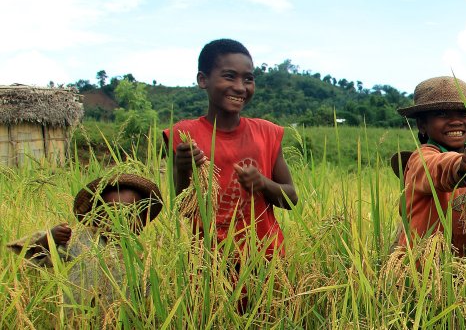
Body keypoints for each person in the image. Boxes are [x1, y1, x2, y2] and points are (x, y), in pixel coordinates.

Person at [166, 38, 299, 259]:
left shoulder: (267, 133)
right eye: (229, 76)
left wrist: (263, 183)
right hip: (208, 264)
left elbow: (291, 199)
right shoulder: (184, 136)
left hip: (265, 261)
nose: (240, 87)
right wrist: (182, 168)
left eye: (248, 79)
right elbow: (182, 207)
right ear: (203, 80)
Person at [6, 173, 163, 309]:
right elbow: (33, 255)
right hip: (79, 317)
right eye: (111, 213)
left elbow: (148, 293)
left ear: (142, 220)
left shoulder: (141, 253)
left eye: (130, 214)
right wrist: (49, 239)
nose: (120, 221)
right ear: (95, 218)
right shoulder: (79, 240)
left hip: (123, 319)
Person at [394, 76, 466, 256]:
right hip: (423, 268)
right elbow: (438, 167)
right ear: (422, 125)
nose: (456, 121)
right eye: (442, 114)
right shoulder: (420, 160)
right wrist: (460, 166)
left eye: (463, 114)